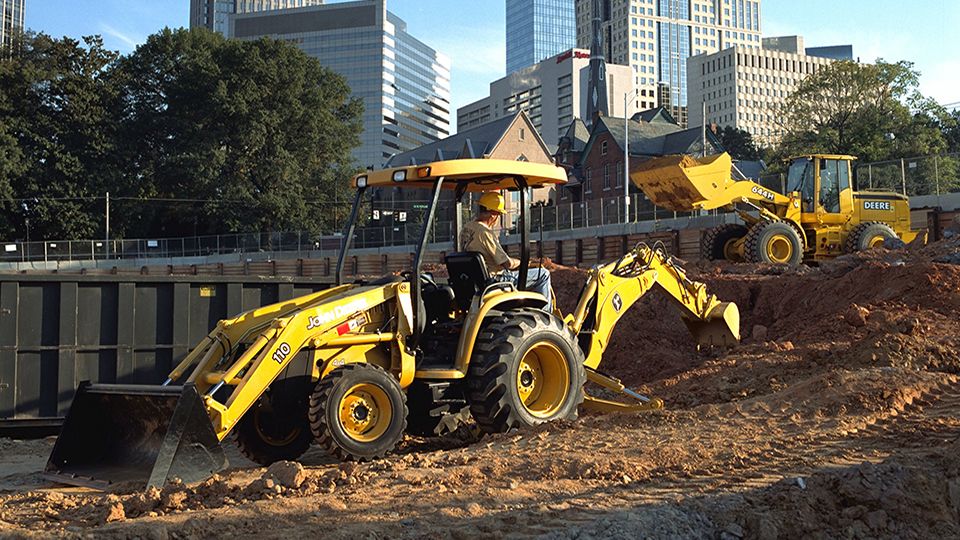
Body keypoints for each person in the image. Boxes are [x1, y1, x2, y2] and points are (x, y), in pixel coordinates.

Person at [459, 191, 553, 309]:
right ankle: (545, 315)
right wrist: (523, 263)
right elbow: (507, 263)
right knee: (543, 274)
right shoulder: (485, 233)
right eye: (499, 214)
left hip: (473, 280)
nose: (498, 218)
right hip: (495, 280)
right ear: (493, 214)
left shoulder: (467, 229)